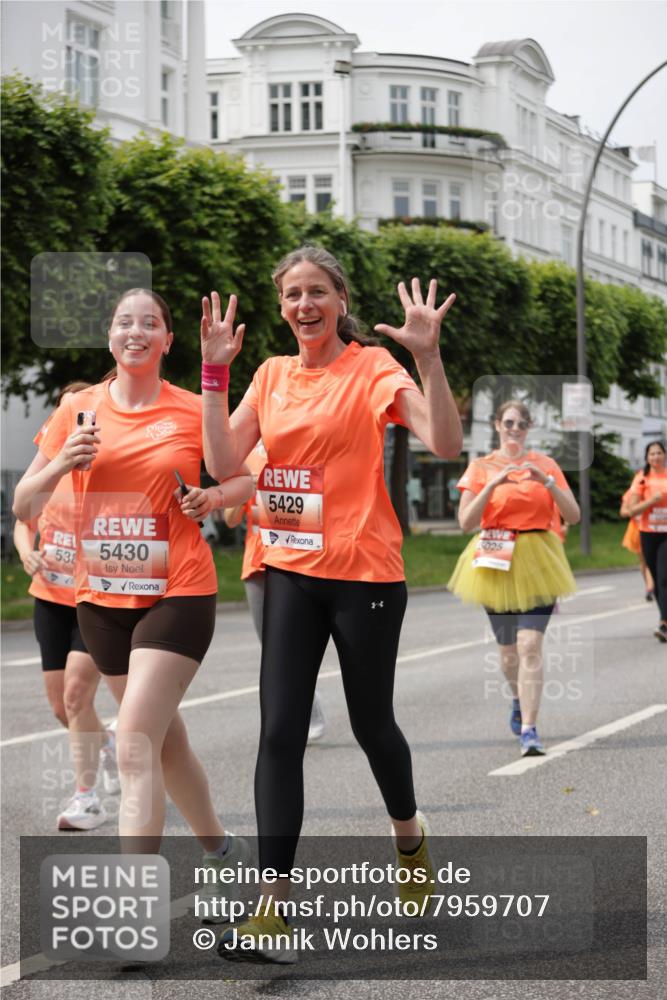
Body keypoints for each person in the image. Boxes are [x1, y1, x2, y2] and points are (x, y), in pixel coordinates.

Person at [200, 245, 463, 962]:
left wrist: (427, 359)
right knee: (279, 729)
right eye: (292, 295)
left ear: (340, 300)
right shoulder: (272, 374)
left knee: (371, 723)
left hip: (364, 573)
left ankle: (408, 840)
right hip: (288, 566)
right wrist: (214, 377)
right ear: (281, 306)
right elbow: (225, 467)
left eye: (317, 292)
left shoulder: (371, 368)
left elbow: (444, 441)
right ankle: (273, 912)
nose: (304, 306)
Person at [13, 289, 254, 874]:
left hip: (178, 590)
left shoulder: (193, 409)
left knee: (135, 741)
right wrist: (59, 462)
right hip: (99, 599)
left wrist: (211, 496)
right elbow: (24, 504)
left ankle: (134, 904)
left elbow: (242, 482)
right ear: (111, 336)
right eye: (125, 322)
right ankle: (223, 849)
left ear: (169, 340)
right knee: (164, 740)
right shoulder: (80, 410)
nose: (136, 332)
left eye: (150, 323)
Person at [13, 382, 118, 831]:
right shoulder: (49, 475)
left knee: (78, 694)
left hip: (93, 599)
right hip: (49, 599)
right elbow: (24, 521)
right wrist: (25, 552)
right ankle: (107, 741)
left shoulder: (103, 473)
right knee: (62, 707)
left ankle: (86, 798)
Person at [448, 400, 580, 756]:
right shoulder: (480, 466)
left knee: (529, 645)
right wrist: (491, 485)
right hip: (495, 556)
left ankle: (530, 730)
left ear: (528, 428)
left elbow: (574, 514)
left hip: (539, 559)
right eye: (509, 423)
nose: (514, 429)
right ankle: (518, 699)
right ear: (497, 425)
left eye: (521, 424)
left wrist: (548, 483)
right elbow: (465, 523)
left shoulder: (546, 464)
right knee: (508, 653)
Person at [224, 441, 327, 743]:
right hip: (257, 564)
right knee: (271, 649)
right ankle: (308, 705)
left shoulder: (302, 446)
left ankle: (301, 712)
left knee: (295, 645)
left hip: (296, 561)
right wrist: (248, 487)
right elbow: (230, 518)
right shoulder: (247, 455)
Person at [627, 441, 667, 642]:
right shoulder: (641, 479)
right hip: (648, 533)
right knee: (658, 582)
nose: (656, 457)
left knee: (663, 576)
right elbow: (631, 510)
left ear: (665, 456)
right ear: (647, 457)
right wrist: (651, 501)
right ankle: (665, 618)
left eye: (659, 453)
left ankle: (664, 622)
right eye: (652, 454)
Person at [620, 484, 654, 601]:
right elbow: (623, 511)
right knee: (644, 560)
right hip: (637, 529)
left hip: (653, 527)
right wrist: (631, 511)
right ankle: (650, 587)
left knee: (651, 558)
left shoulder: (655, 489)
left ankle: (651, 587)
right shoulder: (631, 493)